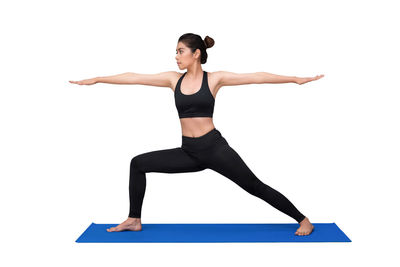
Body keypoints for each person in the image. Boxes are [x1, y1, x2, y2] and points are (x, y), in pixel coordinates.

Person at [70, 33, 324, 236]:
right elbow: (134, 77)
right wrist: (98, 79)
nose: (176, 56)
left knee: (254, 186)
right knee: (138, 164)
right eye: (177, 51)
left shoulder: (214, 79)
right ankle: (134, 219)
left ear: (196, 54)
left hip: (214, 149)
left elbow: (256, 76)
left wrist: (295, 79)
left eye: (180, 51)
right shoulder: (173, 80)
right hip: (188, 152)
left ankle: (303, 219)